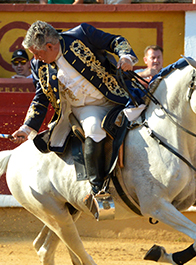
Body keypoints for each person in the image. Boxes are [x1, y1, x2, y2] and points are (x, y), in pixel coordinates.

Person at [10, 21, 138, 219]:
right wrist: (27, 128)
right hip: (87, 108)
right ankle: (98, 191)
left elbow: (116, 41)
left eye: (37, 53)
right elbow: (41, 98)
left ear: (50, 46)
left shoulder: (82, 34)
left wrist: (126, 56)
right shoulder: (38, 65)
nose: (35, 58)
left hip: (118, 95)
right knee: (94, 129)